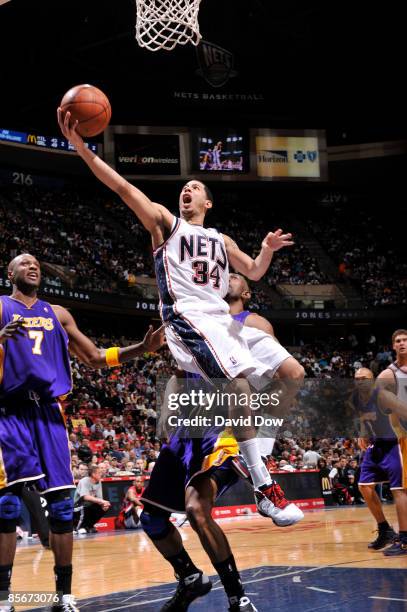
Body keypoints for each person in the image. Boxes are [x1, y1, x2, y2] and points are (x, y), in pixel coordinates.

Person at [58, 111, 302, 526]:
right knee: (237, 386)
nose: (186, 189)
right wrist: (82, 148)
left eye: (195, 187)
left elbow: (256, 273)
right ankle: (263, 484)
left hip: (220, 322)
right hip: (187, 319)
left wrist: (267, 250)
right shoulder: (165, 224)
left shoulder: (221, 240)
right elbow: (120, 185)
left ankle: (246, 467)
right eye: (183, 187)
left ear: (208, 202)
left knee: (251, 389)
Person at [0, 254, 164, 612]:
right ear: (9, 272)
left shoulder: (58, 314)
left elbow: (93, 357)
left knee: (61, 507)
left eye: (37, 264)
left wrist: (142, 349)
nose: (33, 266)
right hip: (8, 412)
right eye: (24, 263)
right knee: (6, 505)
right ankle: (2, 597)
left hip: (47, 412)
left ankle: (64, 594)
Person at [140, 275, 303, 612]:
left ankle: (237, 598)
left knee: (198, 509)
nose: (225, 276)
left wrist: (262, 441)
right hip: (188, 427)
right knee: (151, 518)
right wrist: (167, 409)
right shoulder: (193, 323)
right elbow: (179, 374)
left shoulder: (254, 323)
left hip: (224, 428)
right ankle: (189, 578)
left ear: (246, 292)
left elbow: (275, 380)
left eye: (234, 276)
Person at [356, 332, 407, 555]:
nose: (360, 382)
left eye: (364, 379)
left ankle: (404, 537)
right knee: (364, 486)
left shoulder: (384, 387)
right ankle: (385, 529)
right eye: (357, 380)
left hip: (394, 441)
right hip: (376, 446)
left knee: (399, 489)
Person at [74, 466, 110, 534]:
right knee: (86, 506)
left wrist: (104, 504)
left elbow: (99, 498)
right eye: (99, 473)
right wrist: (101, 501)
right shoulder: (84, 481)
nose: (101, 474)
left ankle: (89, 526)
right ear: (93, 474)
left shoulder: (99, 482)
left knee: (104, 507)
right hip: (78, 506)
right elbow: (85, 497)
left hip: (89, 504)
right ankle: (78, 527)